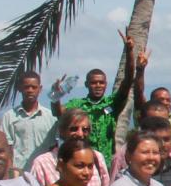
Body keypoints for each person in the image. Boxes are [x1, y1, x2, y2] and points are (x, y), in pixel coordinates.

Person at [51, 35, 140, 163]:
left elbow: (128, 81)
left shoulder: (112, 104)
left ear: (106, 84)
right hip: (81, 161)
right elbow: (58, 112)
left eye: (101, 83)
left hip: (106, 163)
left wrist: (130, 51)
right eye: (94, 83)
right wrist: (56, 95)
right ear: (87, 84)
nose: (98, 86)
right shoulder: (78, 105)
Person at [30, 109, 112, 186]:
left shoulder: (97, 158)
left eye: (85, 129)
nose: (80, 134)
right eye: (74, 129)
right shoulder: (43, 163)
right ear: (62, 131)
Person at [0, 71, 57, 167]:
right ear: (20, 88)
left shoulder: (51, 117)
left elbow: (54, 147)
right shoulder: (9, 116)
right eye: (26, 87)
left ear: (40, 89)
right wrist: (10, 171)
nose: (30, 90)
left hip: (43, 171)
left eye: (34, 87)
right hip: (18, 172)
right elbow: (6, 147)